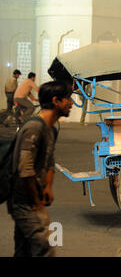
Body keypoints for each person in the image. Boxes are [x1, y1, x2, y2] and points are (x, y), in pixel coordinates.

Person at [7, 81, 73, 257]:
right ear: (56, 101)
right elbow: (24, 168)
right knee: (44, 248)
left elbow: (49, 159)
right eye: (67, 98)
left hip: (33, 198)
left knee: (24, 251)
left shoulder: (51, 130)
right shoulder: (34, 127)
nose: (71, 103)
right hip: (23, 201)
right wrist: (36, 202)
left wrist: (48, 187)